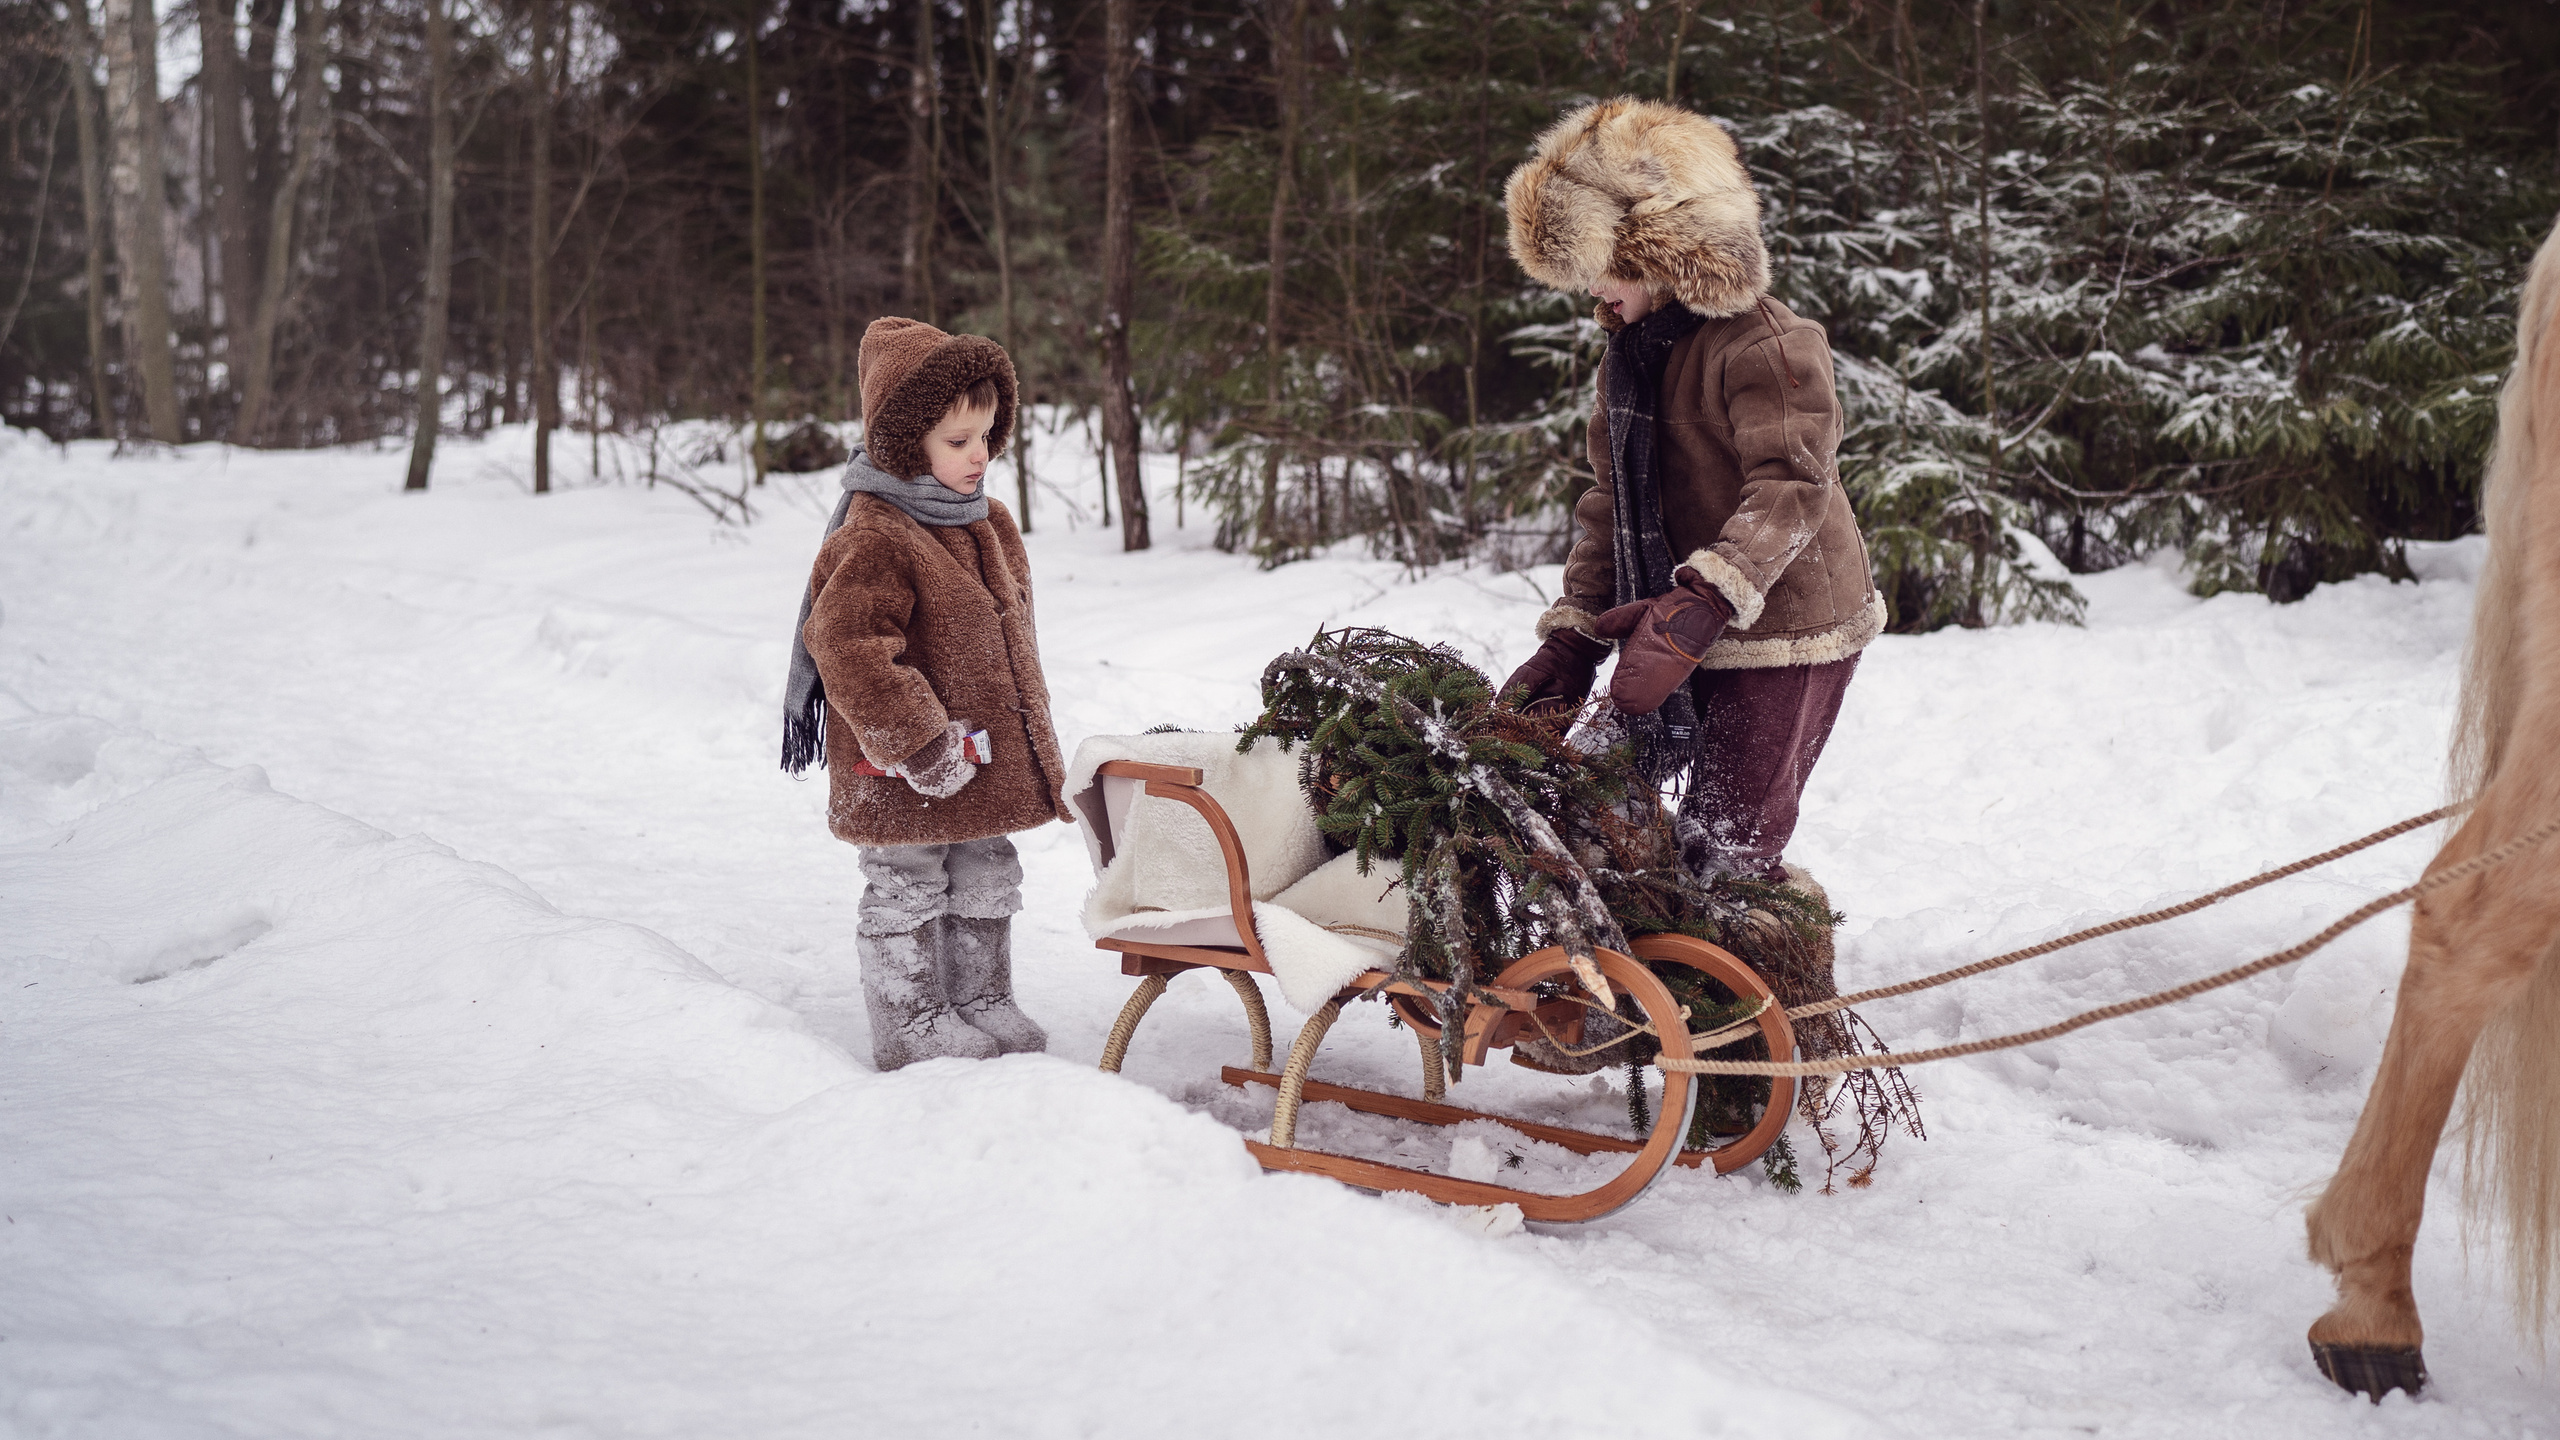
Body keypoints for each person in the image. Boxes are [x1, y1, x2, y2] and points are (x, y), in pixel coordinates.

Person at [1500, 97, 1884, 897]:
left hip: (1785, 627)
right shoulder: (1632, 356)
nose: (1595, 297)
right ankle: (1646, 978)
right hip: (1670, 618)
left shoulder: (1768, 344)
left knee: (1729, 842)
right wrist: (1573, 636)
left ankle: (1763, 997)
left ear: (1657, 250)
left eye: (1602, 269)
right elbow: (1612, 500)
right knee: (1606, 812)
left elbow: (1792, 484)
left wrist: (1709, 594)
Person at [781, 317, 1074, 1070]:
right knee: (908, 878)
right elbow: (845, 644)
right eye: (958, 441)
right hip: (908, 762)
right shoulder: (876, 532)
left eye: (986, 435)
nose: (980, 455)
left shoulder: (985, 522)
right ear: (907, 442)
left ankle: (981, 998)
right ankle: (909, 1020)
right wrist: (918, 739)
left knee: (985, 867)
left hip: (984, 751)